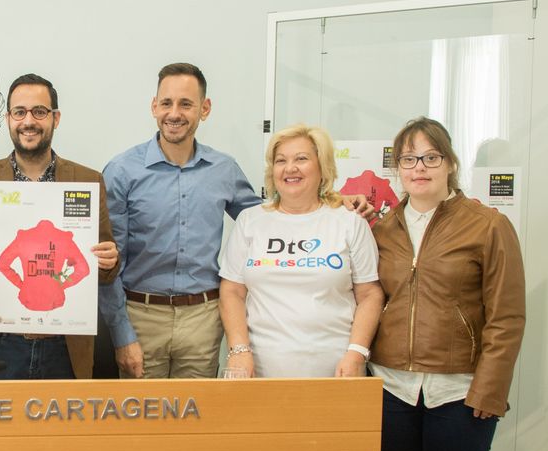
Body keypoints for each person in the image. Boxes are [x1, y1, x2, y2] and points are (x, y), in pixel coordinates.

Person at [102, 62, 372, 379]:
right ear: (154, 106)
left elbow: (273, 212)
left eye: (186, 104)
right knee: (141, 421)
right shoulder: (121, 171)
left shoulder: (223, 169)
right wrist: (121, 334)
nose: (174, 113)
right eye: (166, 103)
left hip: (202, 319)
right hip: (140, 315)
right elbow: (108, 263)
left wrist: (334, 199)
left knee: (199, 419)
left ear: (205, 109)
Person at [370, 117, 525, 451]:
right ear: (397, 168)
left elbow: (507, 317)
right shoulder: (381, 228)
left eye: (430, 157)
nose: (419, 168)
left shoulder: (487, 225)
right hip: (391, 383)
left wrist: (490, 388)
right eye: (409, 159)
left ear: (450, 164)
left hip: (460, 388)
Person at [0, 73, 119, 379]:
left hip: (66, 343)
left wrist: (108, 261)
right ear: (8, 118)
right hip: (0, 343)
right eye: (19, 112)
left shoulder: (88, 181)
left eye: (39, 112)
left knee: (65, 428)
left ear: (56, 118)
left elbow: (105, 273)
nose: (29, 121)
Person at [218, 124, 383, 377]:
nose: (290, 168)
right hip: (258, 371)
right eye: (280, 160)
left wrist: (356, 353)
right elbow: (232, 291)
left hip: (336, 371)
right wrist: (238, 351)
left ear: (322, 167)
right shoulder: (250, 221)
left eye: (302, 159)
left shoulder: (349, 221)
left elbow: (370, 294)